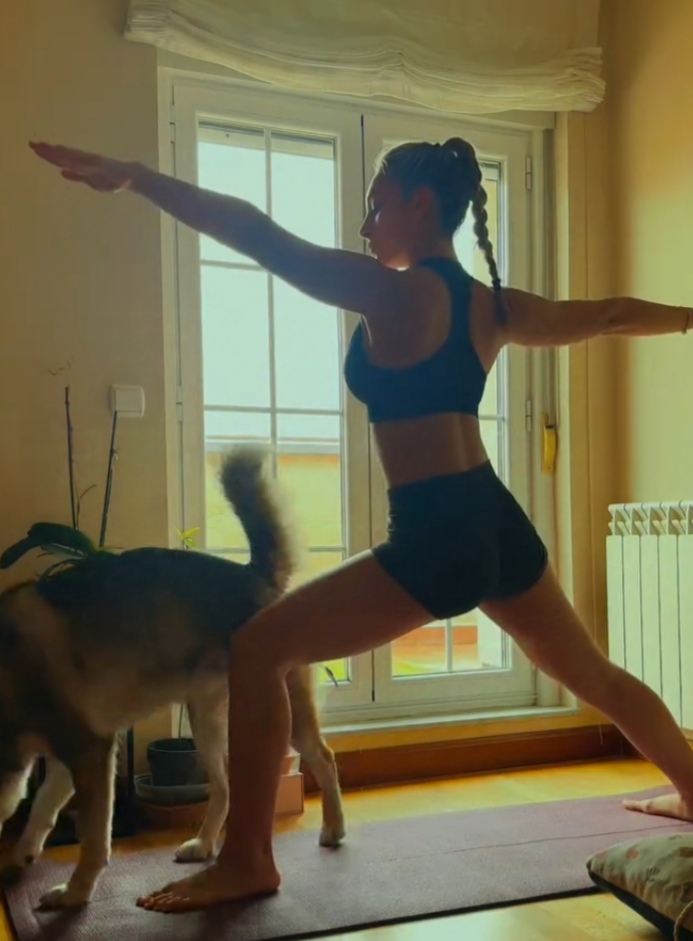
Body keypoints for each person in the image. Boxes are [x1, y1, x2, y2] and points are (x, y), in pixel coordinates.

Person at [30, 136, 693, 914]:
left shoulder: (393, 293)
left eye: (377, 205)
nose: (365, 223)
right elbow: (608, 314)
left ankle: (247, 859)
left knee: (258, 649)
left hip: (438, 530)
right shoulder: (494, 305)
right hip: (493, 518)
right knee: (595, 676)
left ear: (419, 203)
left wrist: (139, 175)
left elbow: (255, 231)